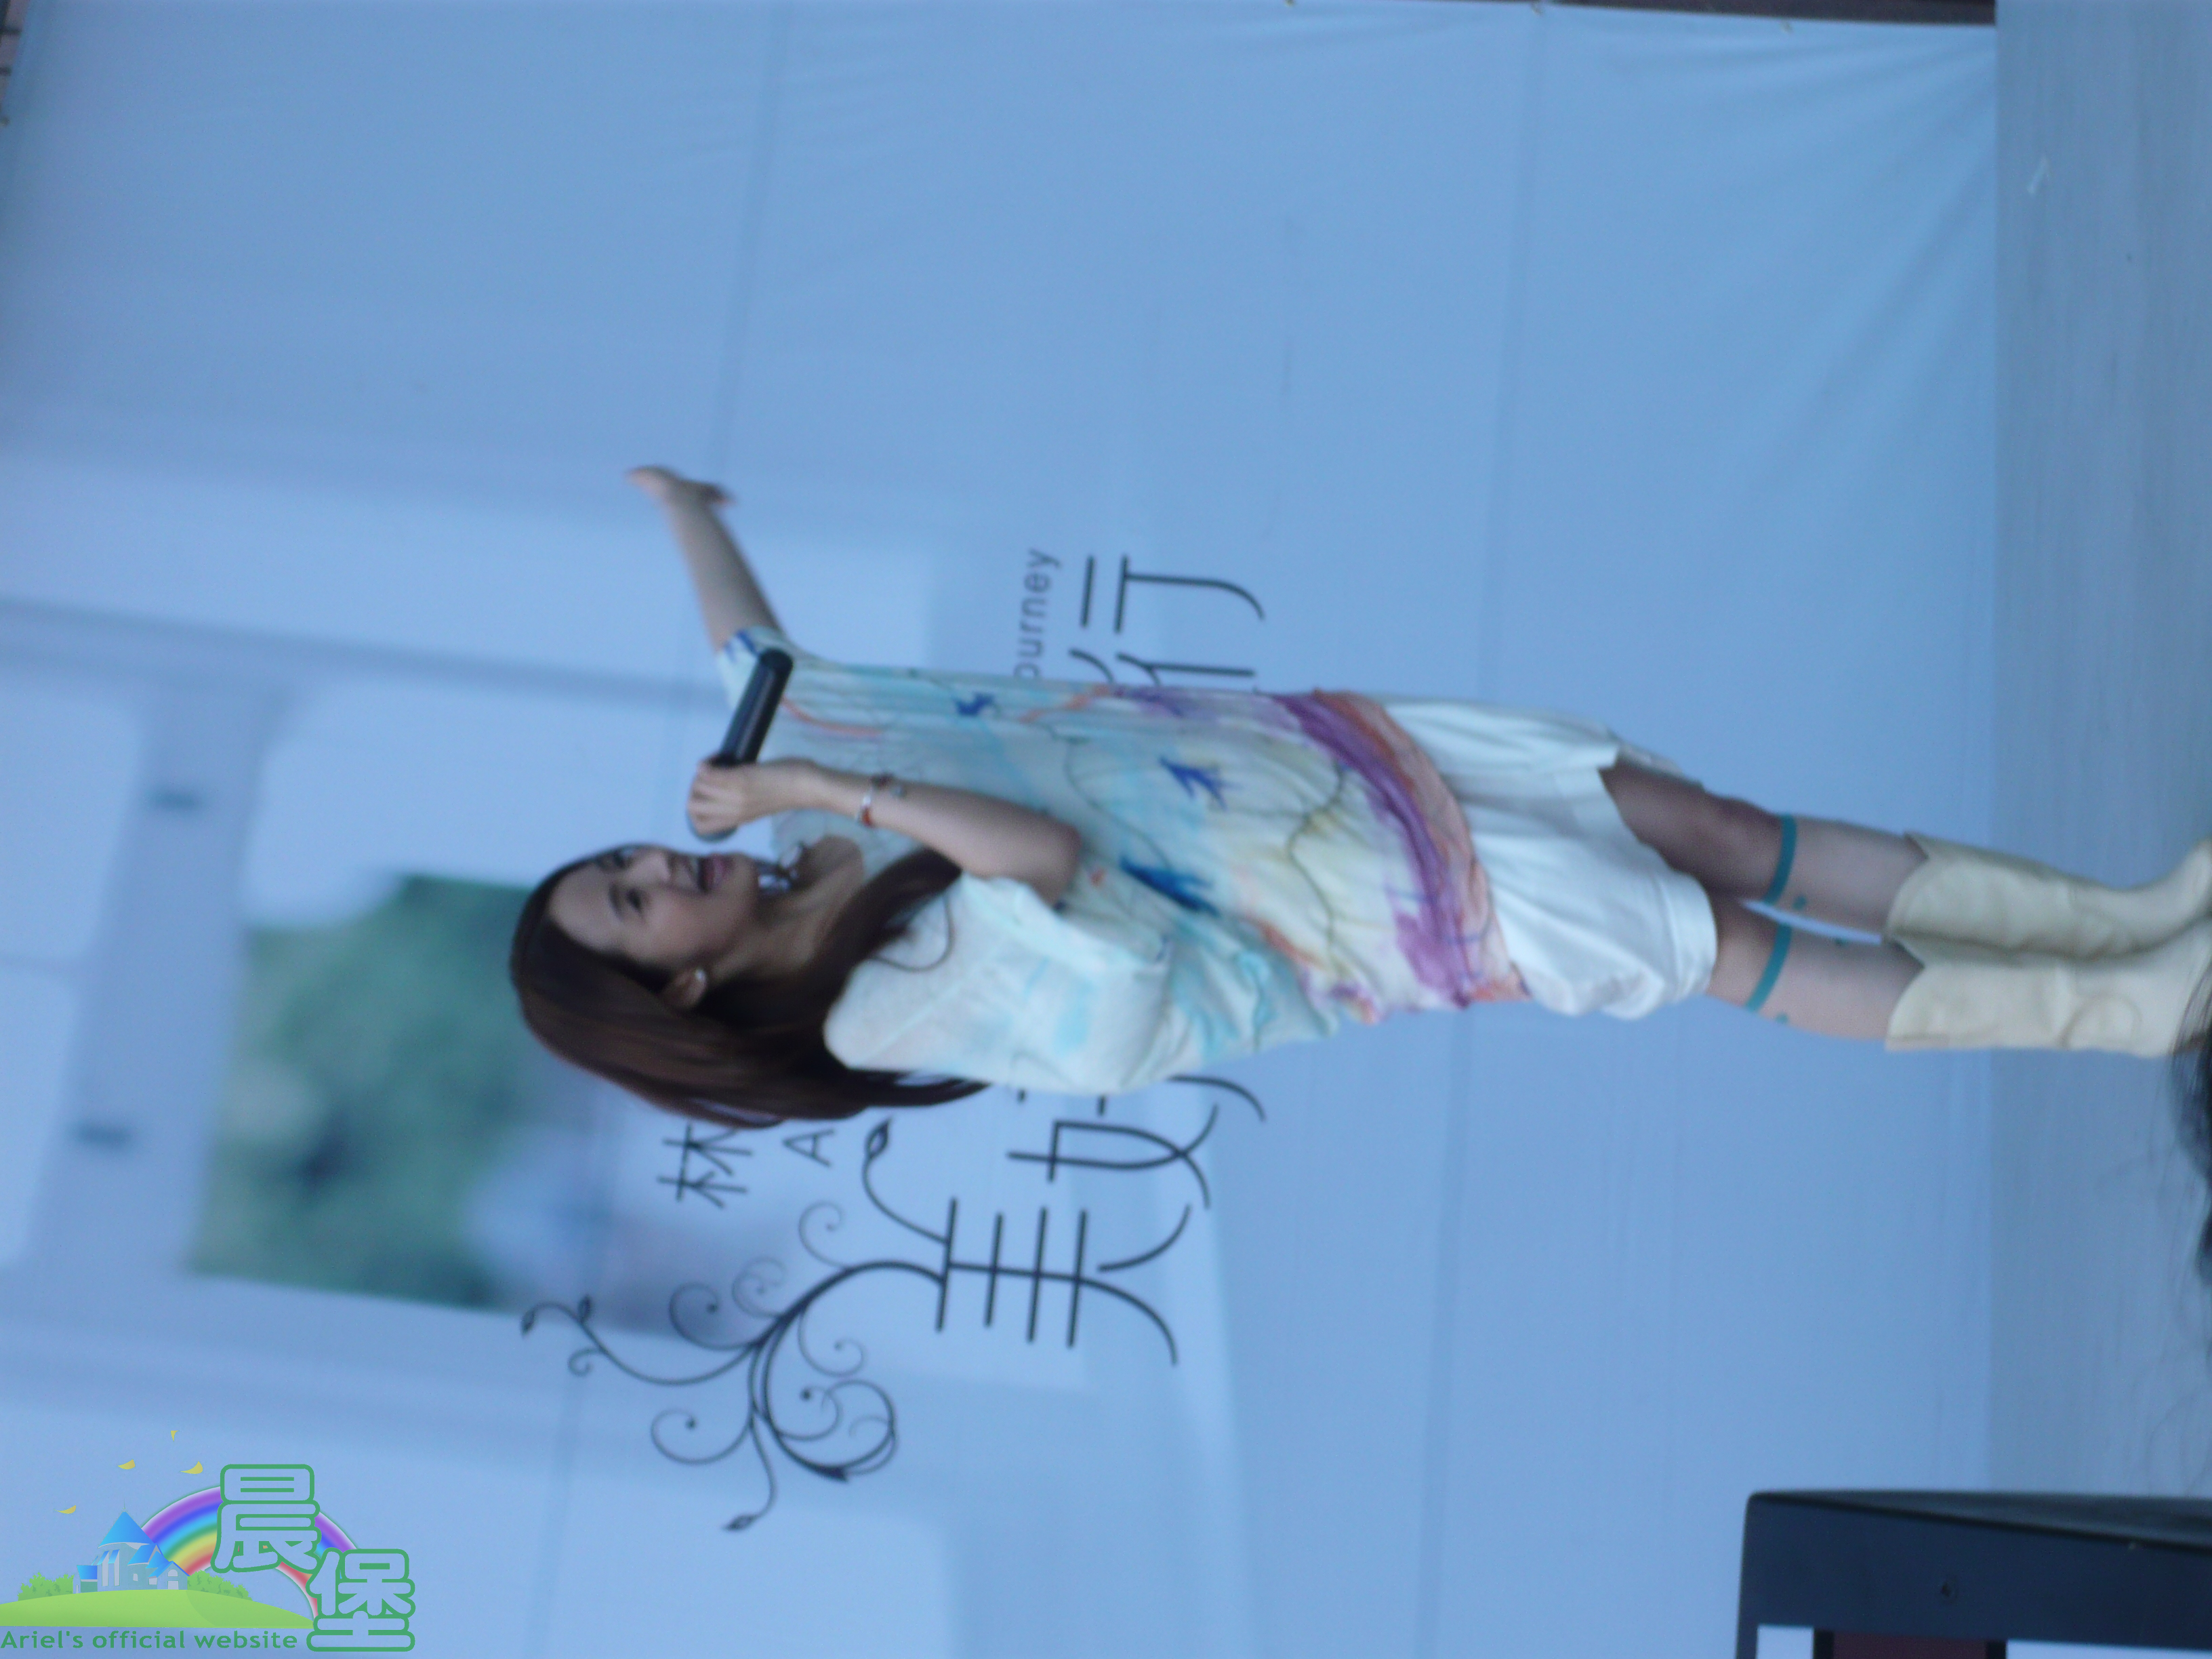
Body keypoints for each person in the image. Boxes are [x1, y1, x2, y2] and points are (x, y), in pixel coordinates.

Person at [510, 468, 2212, 1132]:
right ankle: (2128, 1012)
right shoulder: (866, 1009)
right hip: (1350, 910)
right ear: (677, 987)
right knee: (1719, 941)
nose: (655, 864)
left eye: (622, 861)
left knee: (1714, 827)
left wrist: (683, 509)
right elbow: (1046, 862)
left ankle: (2127, 920)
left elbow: (753, 652)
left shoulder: (814, 836)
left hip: (1340, 767)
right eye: (632, 902)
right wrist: (827, 780)